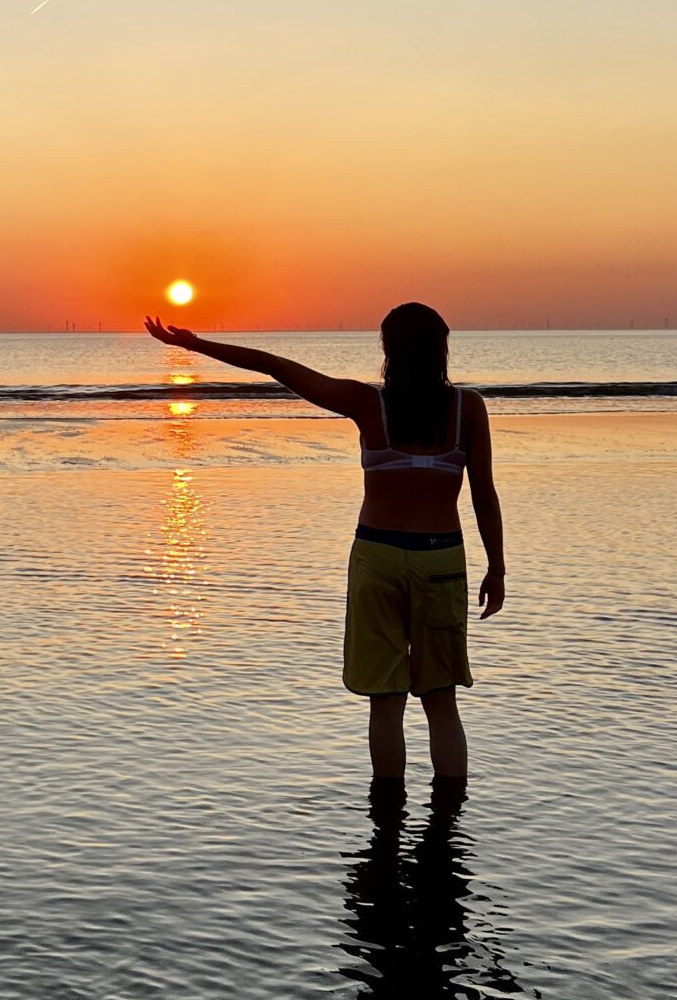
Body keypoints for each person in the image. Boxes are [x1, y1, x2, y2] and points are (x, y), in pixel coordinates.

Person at [142, 301, 504, 785]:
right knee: (441, 703)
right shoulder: (468, 408)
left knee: (386, 702)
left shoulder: (367, 403)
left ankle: (388, 814)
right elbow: (484, 493)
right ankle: (449, 821)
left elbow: (276, 367)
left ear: (389, 351)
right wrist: (496, 568)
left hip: (378, 558)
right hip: (441, 557)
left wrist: (193, 345)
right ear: (441, 349)